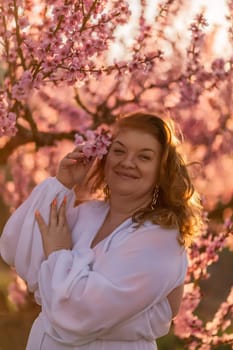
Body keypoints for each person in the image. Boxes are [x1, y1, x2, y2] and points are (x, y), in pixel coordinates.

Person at [0, 112, 203, 350]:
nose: (127, 162)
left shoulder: (161, 239)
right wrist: (62, 184)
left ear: (161, 171)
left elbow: (79, 313)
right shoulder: (88, 213)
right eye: (118, 151)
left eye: (144, 157)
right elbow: (18, 249)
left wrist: (58, 254)